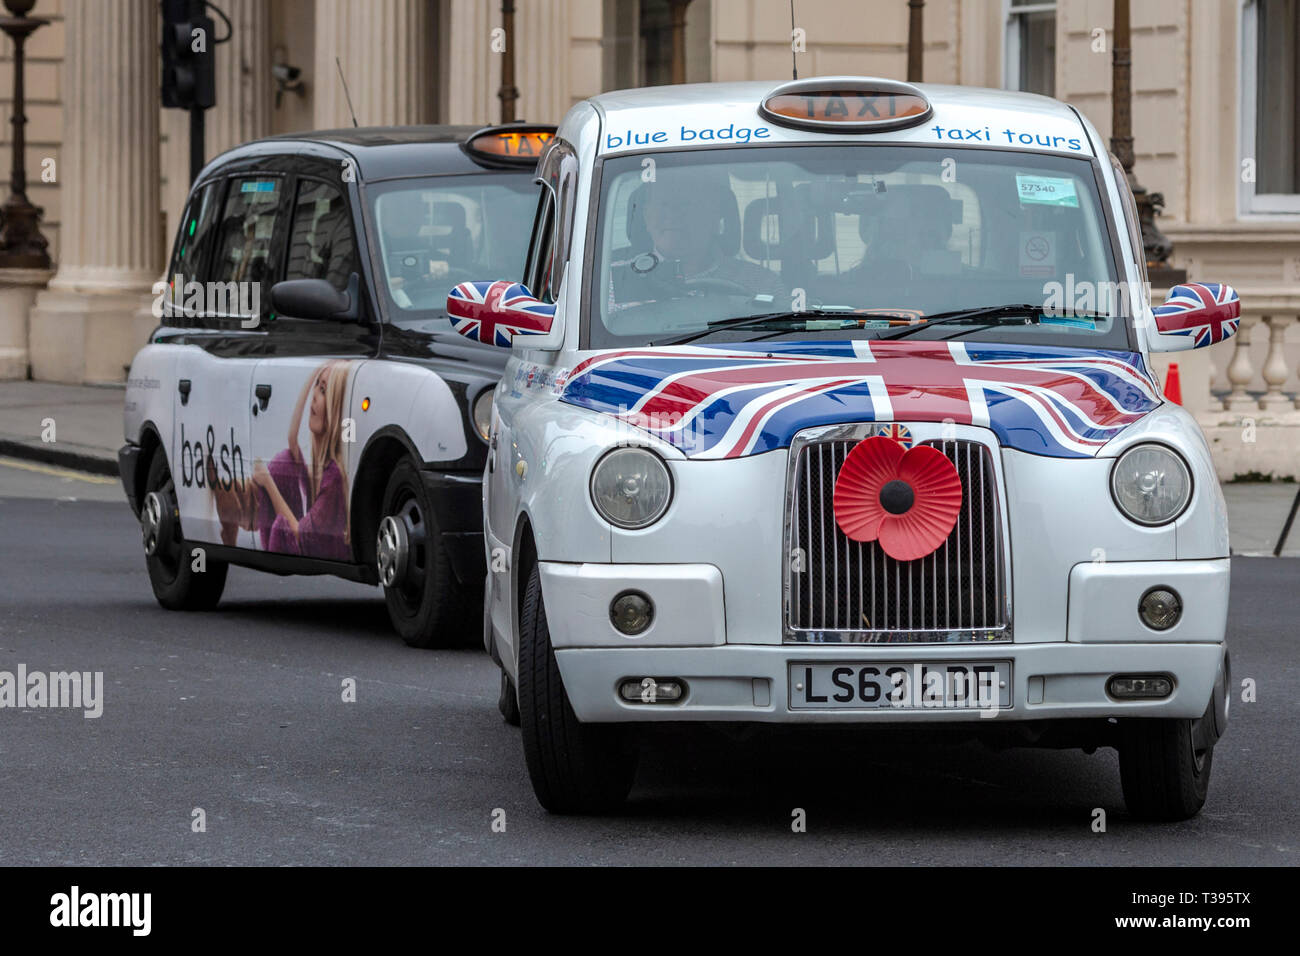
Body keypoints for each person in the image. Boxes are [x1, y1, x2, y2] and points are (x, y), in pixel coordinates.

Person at [608, 167, 784, 312]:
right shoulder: (611, 285)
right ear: (645, 216)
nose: (673, 215)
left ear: (715, 216)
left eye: (686, 204)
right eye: (664, 204)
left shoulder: (763, 284)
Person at [250, 360, 352, 560]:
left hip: (318, 548)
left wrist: (267, 482)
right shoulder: (323, 464)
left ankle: (273, 553)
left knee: (281, 525)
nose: (314, 396)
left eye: (323, 391)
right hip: (314, 544)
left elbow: (300, 534)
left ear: (336, 408)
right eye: (316, 386)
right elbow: (292, 438)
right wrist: (313, 373)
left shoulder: (334, 476)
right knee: (285, 460)